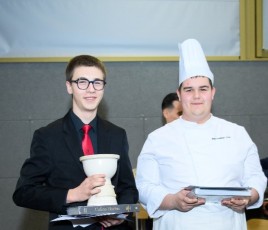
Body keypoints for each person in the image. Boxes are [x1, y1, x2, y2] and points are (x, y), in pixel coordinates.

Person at [135, 39, 267, 230]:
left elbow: (256, 177)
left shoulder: (237, 133)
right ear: (179, 95)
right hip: (177, 224)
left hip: (227, 223)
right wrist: (172, 201)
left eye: (203, 89)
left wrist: (250, 196)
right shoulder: (157, 138)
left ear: (212, 92)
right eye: (189, 90)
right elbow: (143, 186)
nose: (196, 96)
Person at [13, 55, 138, 230]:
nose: (91, 89)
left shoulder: (117, 134)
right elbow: (23, 192)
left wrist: (121, 214)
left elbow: (128, 188)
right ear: (69, 86)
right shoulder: (48, 136)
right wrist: (72, 194)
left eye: (97, 82)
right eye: (82, 82)